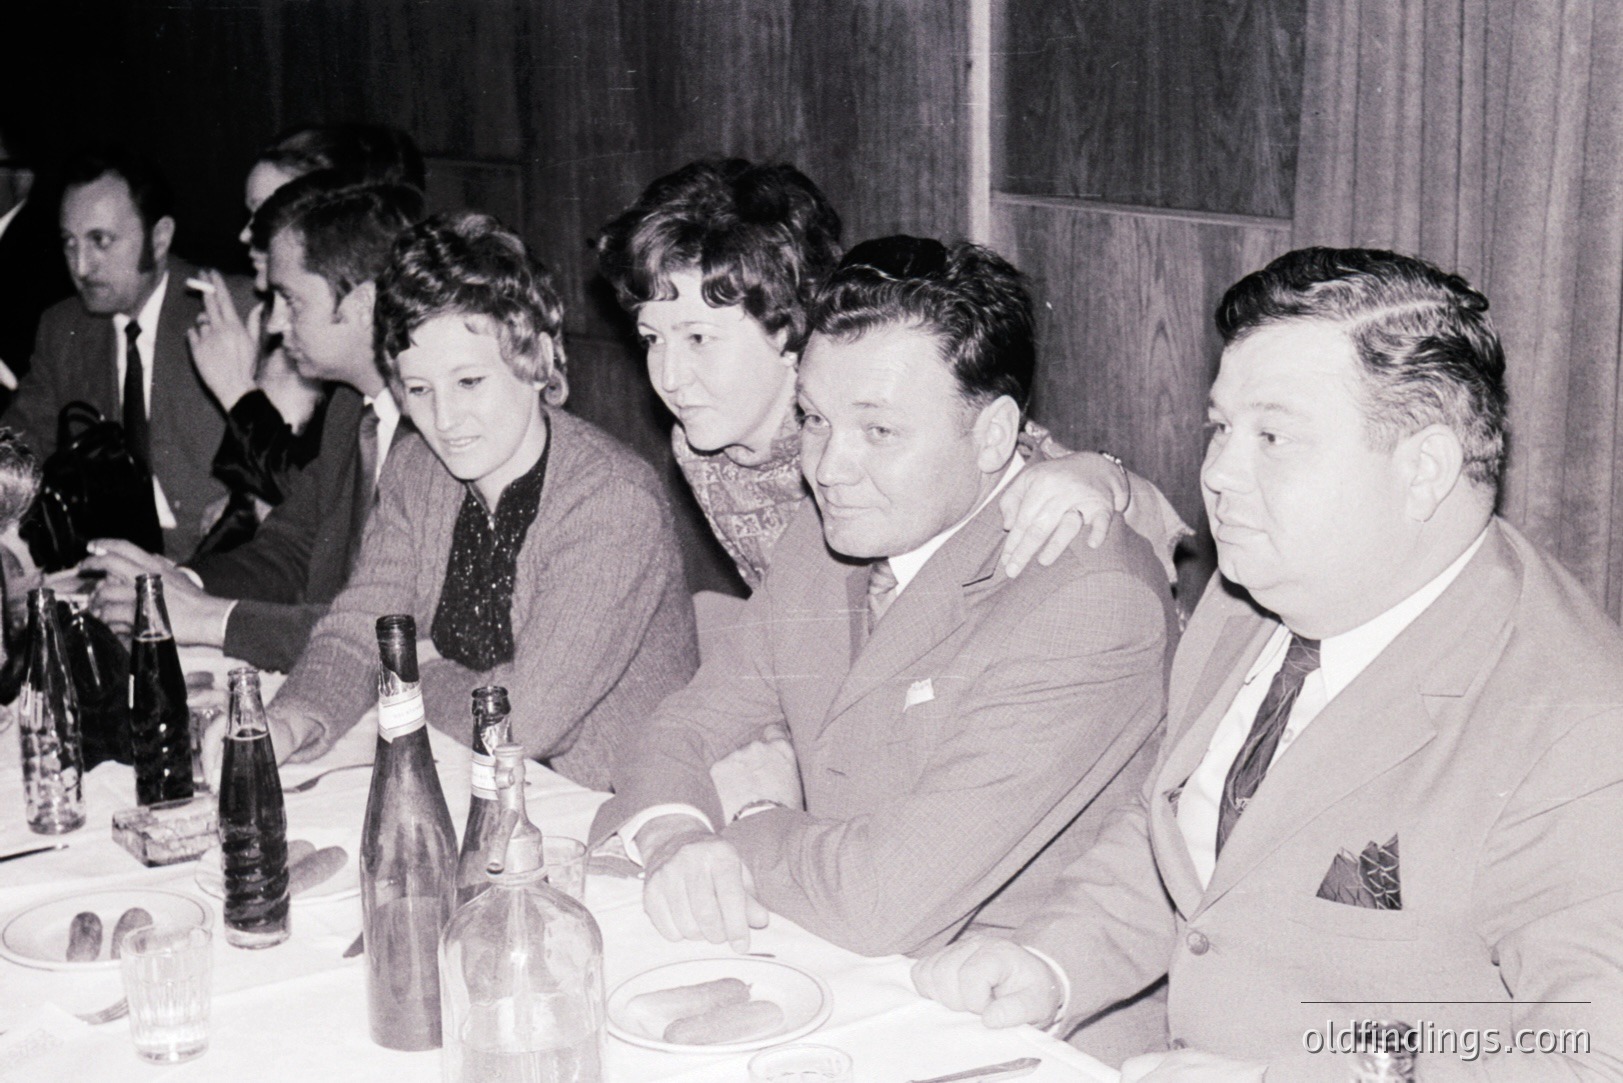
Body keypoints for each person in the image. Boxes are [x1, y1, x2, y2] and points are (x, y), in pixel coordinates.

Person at [911, 247, 1623, 1080]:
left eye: (1272, 436)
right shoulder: (1249, 596)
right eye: (1220, 428)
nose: (1217, 474)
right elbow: (1181, 835)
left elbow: (1587, 1054)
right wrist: (1054, 963)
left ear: (1422, 468)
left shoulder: (1575, 726)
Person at [590, 236, 1176, 960]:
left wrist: (748, 810)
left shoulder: (1088, 601)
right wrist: (678, 833)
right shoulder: (828, 536)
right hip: (822, 945)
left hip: (995, 1010)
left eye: (879, 430)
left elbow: (882, 899)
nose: (829, 468)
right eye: (813, 419)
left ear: (993, 434)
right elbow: (682, 728)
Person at [203, 211, 697, 792]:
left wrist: (415, 669)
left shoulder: (611, 502)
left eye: (468, 383)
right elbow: (362, 626)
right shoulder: (416, 468)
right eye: (418, 389)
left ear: (538, 359)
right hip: (470, 779)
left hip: (608, 806)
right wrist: (290, 720)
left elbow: (522, 724)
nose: (443, 420)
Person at [593, 158, 1190, 592]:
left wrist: (1103, 475)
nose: (669, 377)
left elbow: (1125, 513)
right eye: (652, 339)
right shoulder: (703, 445)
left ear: (788, 326)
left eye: (699, 338)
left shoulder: (876, 420)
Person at [85, 178, 423, 672]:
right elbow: (289, 548)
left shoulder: (436, 430)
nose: (278, 324)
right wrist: (180, 584)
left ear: (363, 304)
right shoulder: (354, 408)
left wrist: (210, 619)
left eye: (293, 301)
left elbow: (394, 629)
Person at [189, 123, 427, 555]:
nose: (248, 235)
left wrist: (238, 395)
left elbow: (307, 495)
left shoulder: (366, 363)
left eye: (268, 213)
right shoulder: (267, 314)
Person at [5, 147, 254, 559]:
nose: (81, 266)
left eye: (101, 241)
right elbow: (20, 445)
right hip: (104, 565)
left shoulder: (230, 310)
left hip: (221, 561)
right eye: (69, 243)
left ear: (159, 238)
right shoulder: (63, 328)